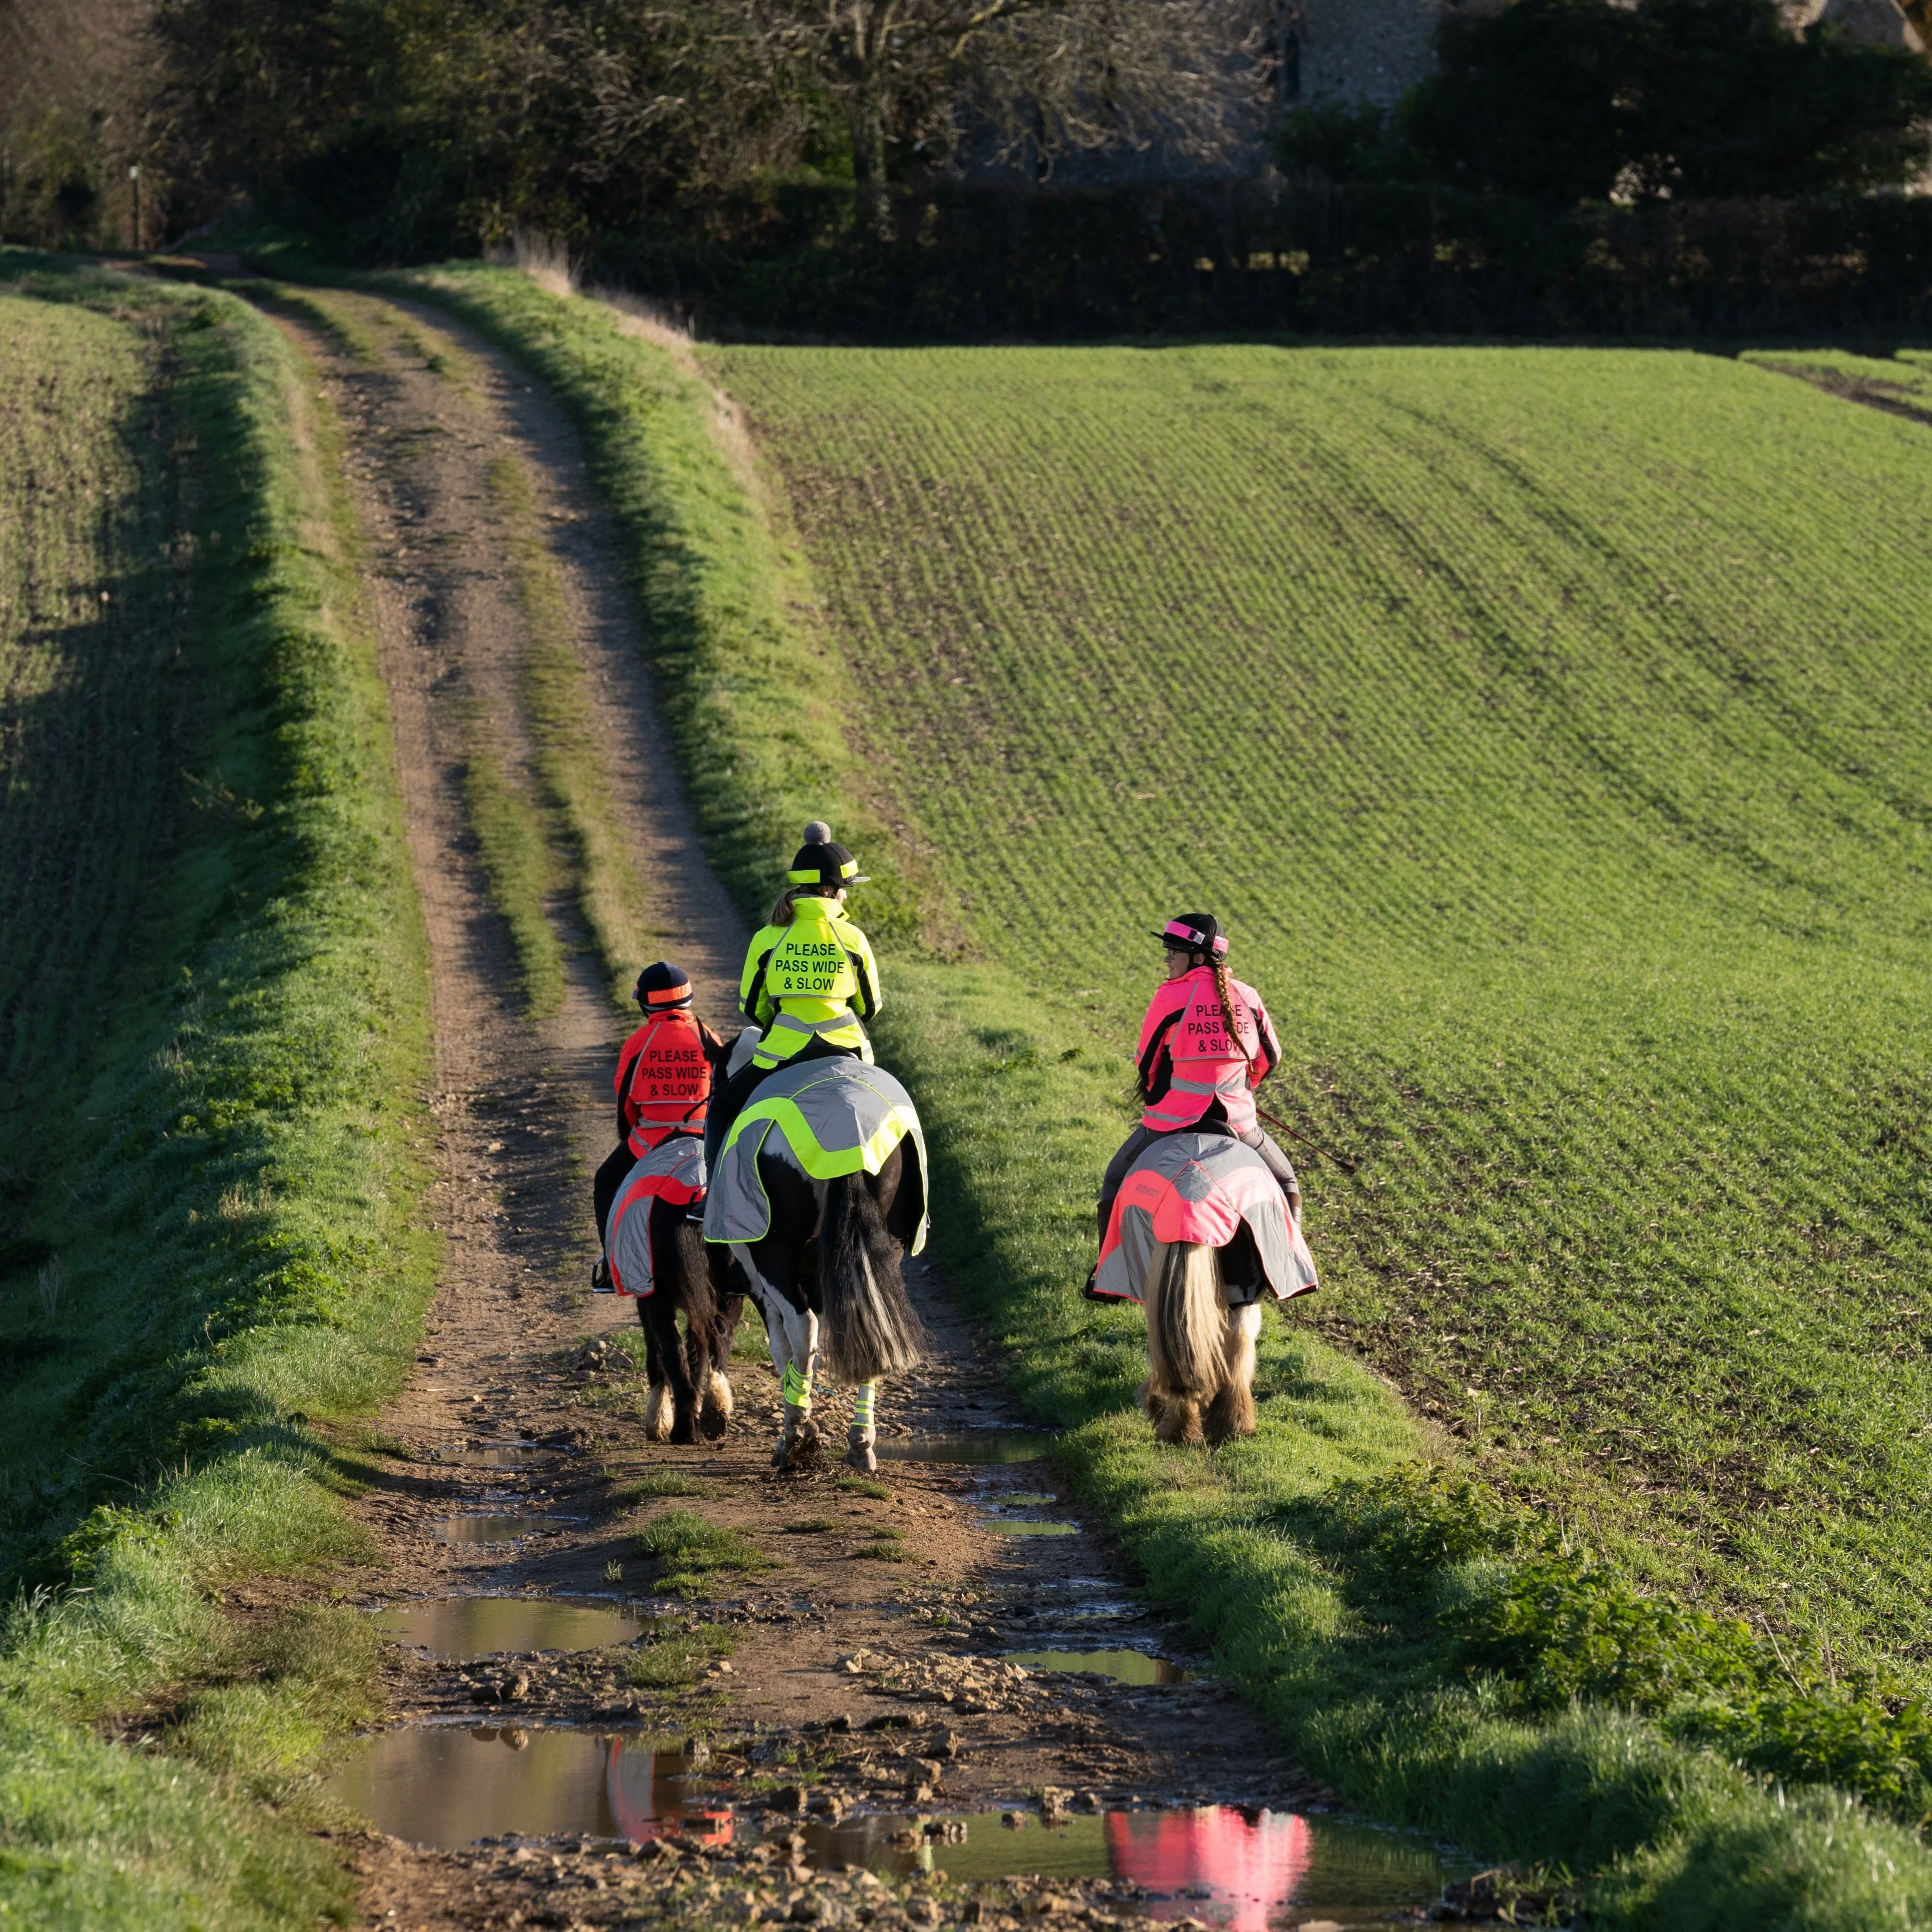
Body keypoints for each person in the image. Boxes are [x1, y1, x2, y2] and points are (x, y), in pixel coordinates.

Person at [1090, 913, 1302, 1284]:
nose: (1167, 959)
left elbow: (1147, 1063)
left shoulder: (1169, 995)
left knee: (1113, 1179)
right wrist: (1240, 1086)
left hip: (1171, 1121)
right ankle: (1289, 1260)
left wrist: (1160, 1093)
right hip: (1238, 1123)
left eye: (1174, 951)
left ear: (1199, 958)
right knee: (1286, 1181)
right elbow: (1270, 1058)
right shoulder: (1247, 996)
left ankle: (1104, 1271)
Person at [701, 822, 882, 1185]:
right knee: (901, 1113)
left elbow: (753, 1007)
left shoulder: (767, 937)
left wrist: (786, 1020)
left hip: (781, 1054)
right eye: (845, 890)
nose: (846, 898)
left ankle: (713, 1195)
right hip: (847, 1051)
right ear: (831, 890)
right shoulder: (853, 938)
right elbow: (869, 1007)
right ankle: (916, 1213)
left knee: (720, 1108)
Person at [592, 961, 719, 1288]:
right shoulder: (707, 1035)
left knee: (605, 1181)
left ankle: (611, 1260)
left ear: (644, 1003)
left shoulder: (639, 1041)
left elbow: (625, 1103)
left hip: (650, 1140)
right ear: (688, 998)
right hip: (703, 1139)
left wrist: (632, 1135)